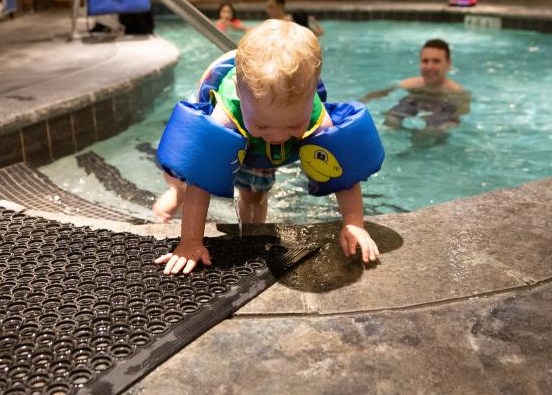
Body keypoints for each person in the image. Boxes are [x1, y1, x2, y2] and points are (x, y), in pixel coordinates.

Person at [152, 19, 385, 275]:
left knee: (254, 193)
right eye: (264, 126)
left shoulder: (319, 118)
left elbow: (344, 177)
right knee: (187, 169)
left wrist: (354, 224)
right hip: (233, 128)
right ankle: (176, 191)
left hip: (256, 149)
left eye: (294, 125)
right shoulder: (223, 116)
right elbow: (201, 178)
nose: (278, 137)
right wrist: (191, 242)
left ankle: (252, 238)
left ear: (311, 97)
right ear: (240, 92)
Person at [363, 39, 469, 132]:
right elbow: (380, 93)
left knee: (434, 131)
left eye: (436, 61)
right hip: (415, 102)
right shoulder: (411, 84)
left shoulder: (457, 92)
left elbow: (460, 115)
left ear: (448, 64)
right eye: (425, 61)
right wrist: (362, 102)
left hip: (443, 108)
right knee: (391, 121)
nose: (429, 67)